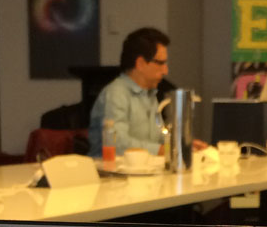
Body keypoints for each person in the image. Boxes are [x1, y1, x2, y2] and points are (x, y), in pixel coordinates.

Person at [88, 27, 206, 158]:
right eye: (161, 63)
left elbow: (158, 137)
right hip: (110, 170)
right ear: (140, 63)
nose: (165, 71)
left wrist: (180, 145)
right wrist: (162, 150)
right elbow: (118, 144)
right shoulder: (116, 94)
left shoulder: (149, 94)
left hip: (142, 168)